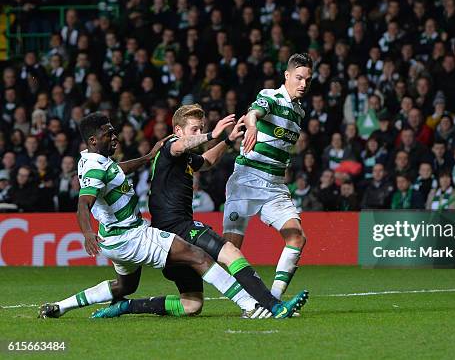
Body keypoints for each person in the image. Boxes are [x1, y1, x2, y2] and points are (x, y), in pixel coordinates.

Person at [38, 112, 308, 320]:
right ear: (178, 131)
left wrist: (225, 141)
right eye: (194, 129)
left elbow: (206, 162)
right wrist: (211, 134)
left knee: (184, 303)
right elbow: (83, 203)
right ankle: (258, 306)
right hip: (147, 232)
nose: (115, 137)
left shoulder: (91, 158)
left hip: (116, 240)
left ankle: (64, 307)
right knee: (213, 255)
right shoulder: (172, 147)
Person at [223, 53, 312, 300]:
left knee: (296, 237)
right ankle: (246, 301)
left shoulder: (299, 113)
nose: (303, 84)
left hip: (274, 185)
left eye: (307, 79)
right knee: (230, 250)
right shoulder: (271, 96)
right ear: (287, 76)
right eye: (299, 78)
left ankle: (271, 300)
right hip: (247, 180)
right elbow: (254, 112)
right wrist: (251, 125)